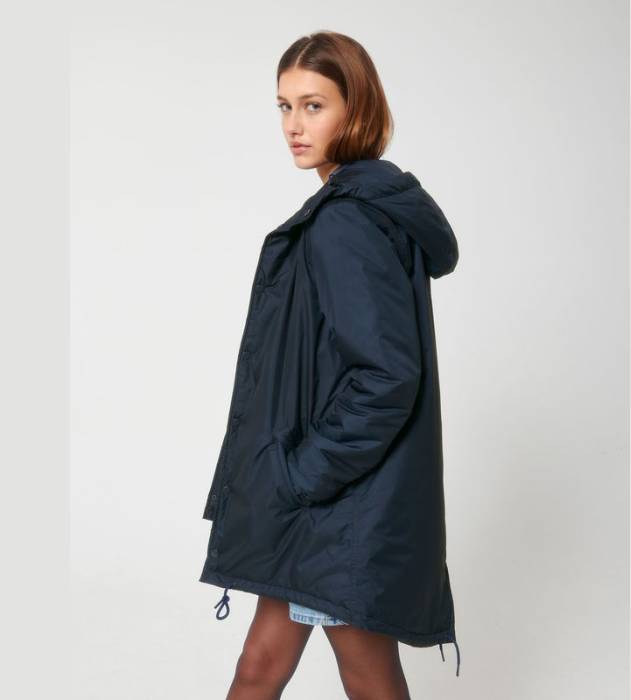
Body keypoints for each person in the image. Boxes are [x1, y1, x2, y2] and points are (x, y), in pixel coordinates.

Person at [199, 30, 461, 699]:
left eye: (313, 106)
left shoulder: (345, 222)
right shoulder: (356, 210)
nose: (293, 125)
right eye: (284, 106)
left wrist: (301, 475)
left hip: (339, 507)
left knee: (362, 676)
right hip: (327, 507)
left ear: (357, 108)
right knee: (262, 665)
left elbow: (386, 374)